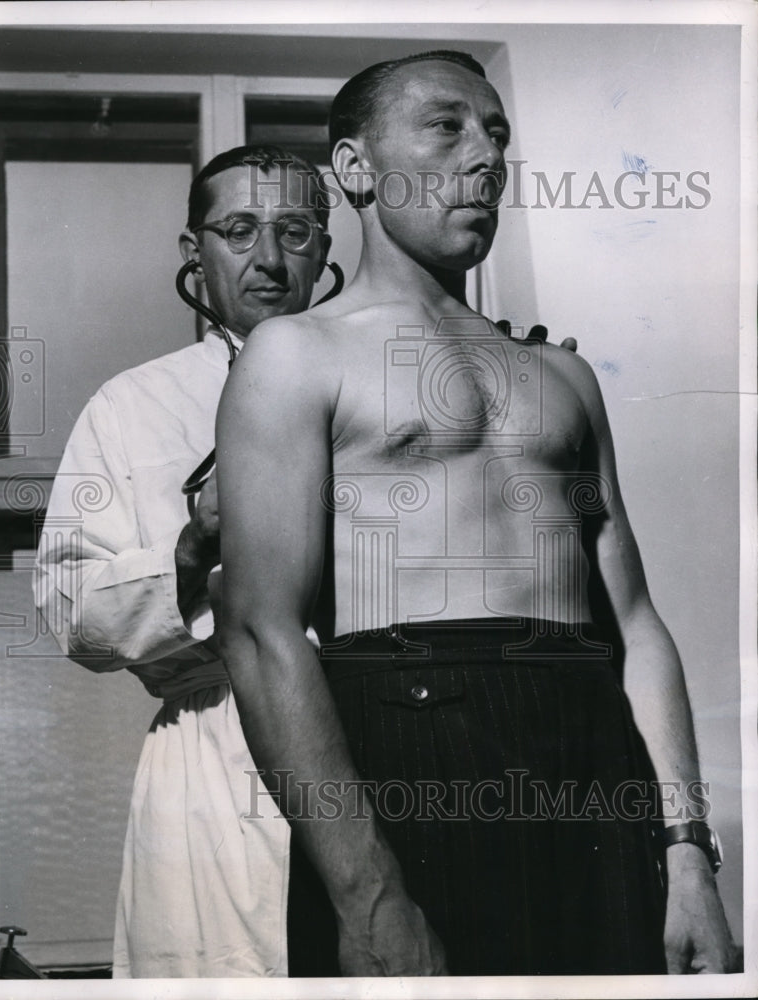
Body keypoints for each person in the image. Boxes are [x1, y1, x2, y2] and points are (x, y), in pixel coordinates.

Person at [214, 52, 737, 977]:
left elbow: (636, 628)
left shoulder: (562, 376)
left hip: (592, 762)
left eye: (496, 132)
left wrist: (688, 851)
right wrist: (364, 890)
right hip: (412, 754)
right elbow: (261, 635)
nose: (486, 155)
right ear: (355, 168)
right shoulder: (294, 356)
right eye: (446, 127)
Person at [34, 144, 333, 977]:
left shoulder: (381, 386)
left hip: (374, 733)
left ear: (327, 251)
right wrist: (190, 549)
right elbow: (72, 612)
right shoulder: (130, 406)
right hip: (212, 756)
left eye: (295, 231)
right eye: (239, 230)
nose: (269, 259)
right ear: (192, 253)